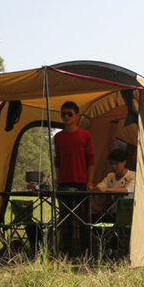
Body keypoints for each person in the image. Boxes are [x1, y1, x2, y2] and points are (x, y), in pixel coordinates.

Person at [53, 101, 95, 256]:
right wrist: (58, 178)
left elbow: (91, 159)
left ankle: (86, 251)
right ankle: (67, 251)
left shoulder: (85, 135)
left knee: (83, 218)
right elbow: (57, 160)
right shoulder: (58, 137)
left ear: (76, 115)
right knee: (64, 220)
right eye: (63, 113)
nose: (66, 116)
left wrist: (89, 181)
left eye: (69, 113)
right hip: (63, 183)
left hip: (81, 182)